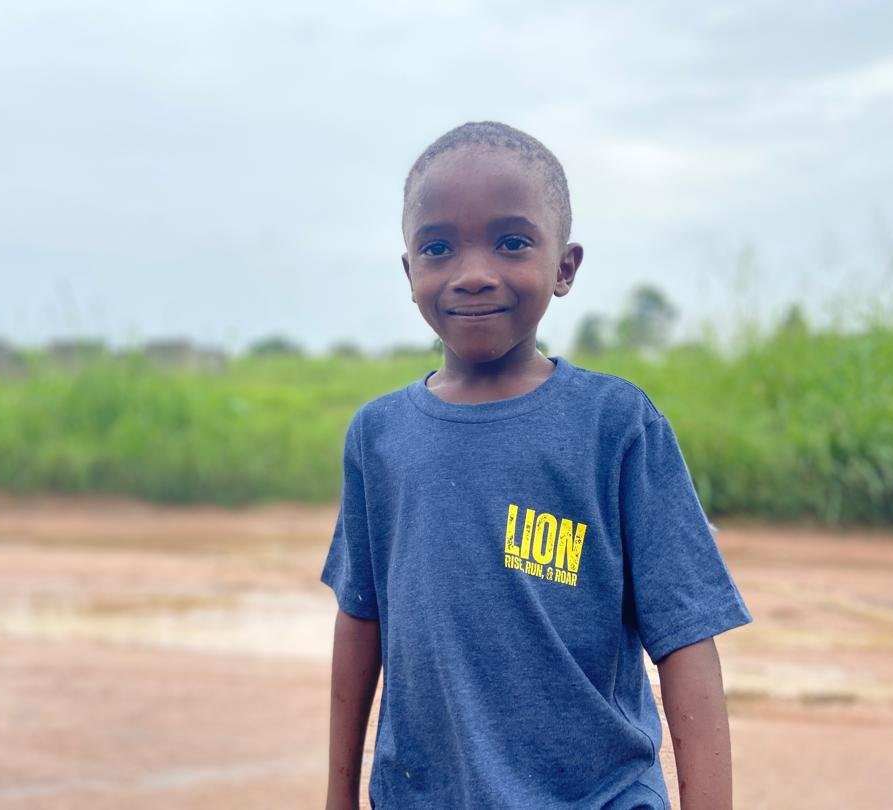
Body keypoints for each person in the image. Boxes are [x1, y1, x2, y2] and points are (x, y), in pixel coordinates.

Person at [321, 121, 753, 810]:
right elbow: (360, 620)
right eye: (438, 247)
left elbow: (685, 641)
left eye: (511, 242)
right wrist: (339, 793)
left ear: (565, 266)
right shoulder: (379, 437)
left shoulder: (615, 427)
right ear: (410, 273)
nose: (472, 273)